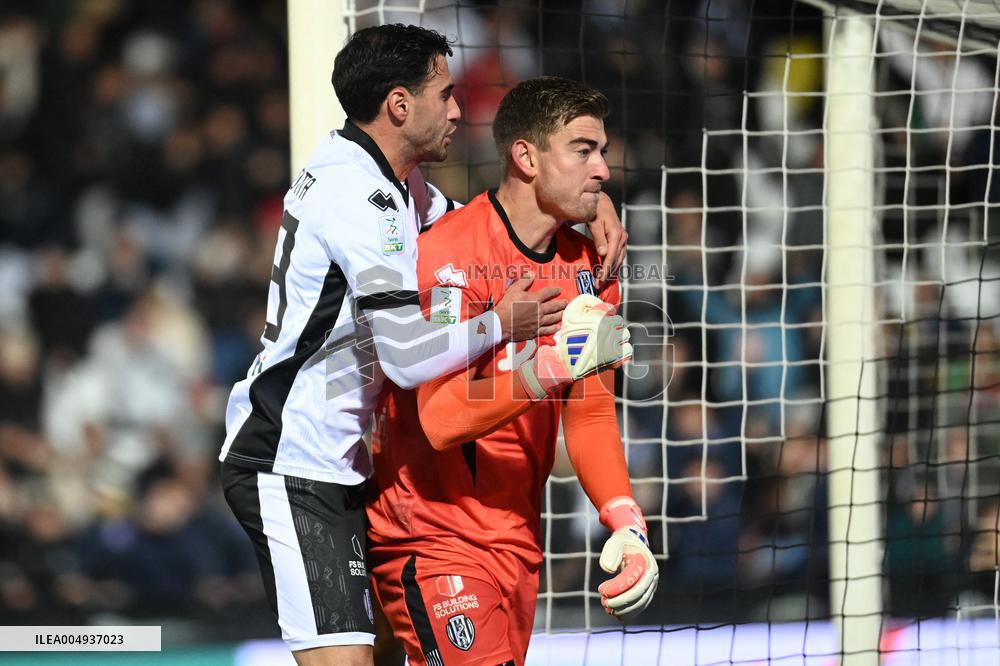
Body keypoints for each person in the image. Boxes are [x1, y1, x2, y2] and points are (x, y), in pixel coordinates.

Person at [218, 25, 627, 666]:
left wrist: (587, 204)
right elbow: (408, 360)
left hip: (354, 466)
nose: (458, 110)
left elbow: (487, 221)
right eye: (446, 93)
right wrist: (508, 326)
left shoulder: (401, 188)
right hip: (294, 459)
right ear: (401, 106)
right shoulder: (359, 195)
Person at [367, 76, 657, 666]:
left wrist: (626, 523)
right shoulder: (449, 257)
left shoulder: (590, 271)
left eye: (602, 151)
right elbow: (440, 420)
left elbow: (592, 413)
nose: (603, 169)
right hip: (432, 536)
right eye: (584, 150)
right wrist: (556, 362)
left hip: (517, 544)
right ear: (526, 156)